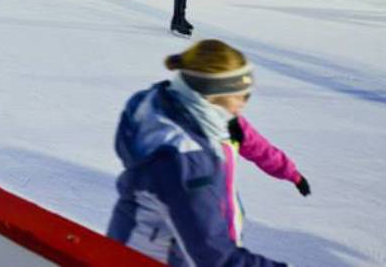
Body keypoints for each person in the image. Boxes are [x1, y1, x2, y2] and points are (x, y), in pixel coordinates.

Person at [108, 40, 296, 266]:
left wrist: (287, 170)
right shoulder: (184, 159)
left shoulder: (164, 105)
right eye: (242, 95)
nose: (245, 103)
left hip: (135, 246)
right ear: (212, 95)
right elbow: (213, 256)